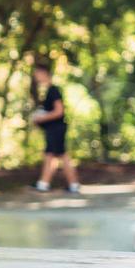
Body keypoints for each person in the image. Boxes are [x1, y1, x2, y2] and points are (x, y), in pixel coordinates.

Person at [29, 60, 80, 193]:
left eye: (37, 74)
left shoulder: (53, 90)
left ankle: (45, 184)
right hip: (53, 129)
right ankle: (70, 184)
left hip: (57, 129)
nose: (36, 77)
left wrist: (41, 118)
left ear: (44, 73)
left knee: (54, 155)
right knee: (57, 155)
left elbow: (59, 111)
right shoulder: (49, 91)